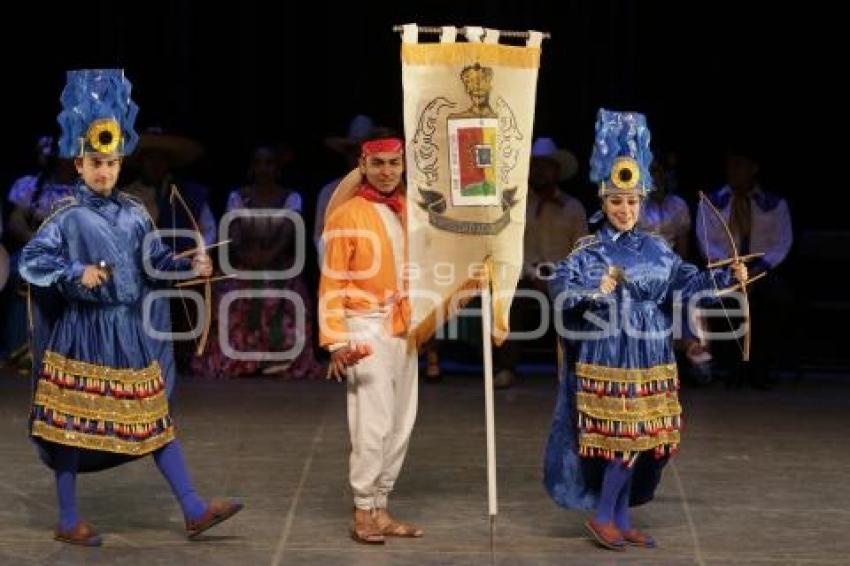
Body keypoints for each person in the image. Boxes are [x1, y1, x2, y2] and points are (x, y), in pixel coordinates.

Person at [20, 69, 241, 546]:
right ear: (78, 165)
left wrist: (192, 267)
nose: (105, 171)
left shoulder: (135, 212)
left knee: (154, 419)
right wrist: (75, 273)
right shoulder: (66, 217)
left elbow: (155, 261)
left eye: (113, 163)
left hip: (125, 333)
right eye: (95, 163)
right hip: (82, 332)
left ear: (122, 164)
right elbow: (32, 262)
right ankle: (67, 518)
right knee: (71, 428)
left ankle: (194, 508)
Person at [543, 109, 748, 551]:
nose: (624, 209)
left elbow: (690, 282)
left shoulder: (657, 250)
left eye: (632, 201)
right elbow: (561, 292)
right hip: (610, 352)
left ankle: (618, 515)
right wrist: (596, 290)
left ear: (642, 201)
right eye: (617, 201)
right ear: (603, 201)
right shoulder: (588, 251)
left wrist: (728, 277)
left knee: (645, 439)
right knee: (622, 439)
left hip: (652, 352)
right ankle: (602, 516)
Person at [319, 135, 423, 544]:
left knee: (401, 421)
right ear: (363, 165)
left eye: (393, 164)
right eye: (377, 163)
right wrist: (336, 341)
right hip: (363, 324)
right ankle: (363, 509)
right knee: (372, 422)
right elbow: (331, 281)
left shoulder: (409, 212)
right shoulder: (347, 215)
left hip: (403, 325)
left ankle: (380, 507)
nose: (386, 172)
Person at [191, 146, 323, 378]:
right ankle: (238, 358)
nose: (264, 169)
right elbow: (235, 232)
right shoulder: (239, 196)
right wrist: (248, 256)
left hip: (280, 264)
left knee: (294, 295)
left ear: (277, 168)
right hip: (246, 262)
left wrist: (268, 256)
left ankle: (280, 361)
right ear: (252, 168)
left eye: (269, 163)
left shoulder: (290, 197)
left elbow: (288, 232)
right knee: (226, 294)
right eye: (259, 163)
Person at [493, 137, 587, 388]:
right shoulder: (517, 205)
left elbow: (582, 249)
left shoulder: (572, 207)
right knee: (511, 299)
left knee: (574, 300)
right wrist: (532, 273)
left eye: (546, 165)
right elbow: (510, 245)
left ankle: (571, 368)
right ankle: (507, 367)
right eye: (536, 165)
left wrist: (559, 277)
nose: (540, 171)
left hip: (562, 275)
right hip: (526, 273)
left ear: (557, 171)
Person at [696, 147, 793, 388]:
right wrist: (733, 268)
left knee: (777, 299)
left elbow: (782, 242)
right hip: (726, 269)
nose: (733, 171)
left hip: (762, 271)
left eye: (739, 165)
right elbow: (705, 240)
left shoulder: (774, 203)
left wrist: (758, 270)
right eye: (730, 165)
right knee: (718, 298)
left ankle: (762, 367)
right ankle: (729, 367)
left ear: (753, 169)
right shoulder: (712, 202)